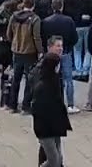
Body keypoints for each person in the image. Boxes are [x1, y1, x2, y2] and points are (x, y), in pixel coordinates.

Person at [32, 37, 72, 167]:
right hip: (47, 126)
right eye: (57, 46)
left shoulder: (52, 77)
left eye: (61, 46)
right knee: (53, 158)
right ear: (50, 47)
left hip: (54, 123)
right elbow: (39, 108)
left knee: (57, 157)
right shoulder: (44, 79)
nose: (60, 48)